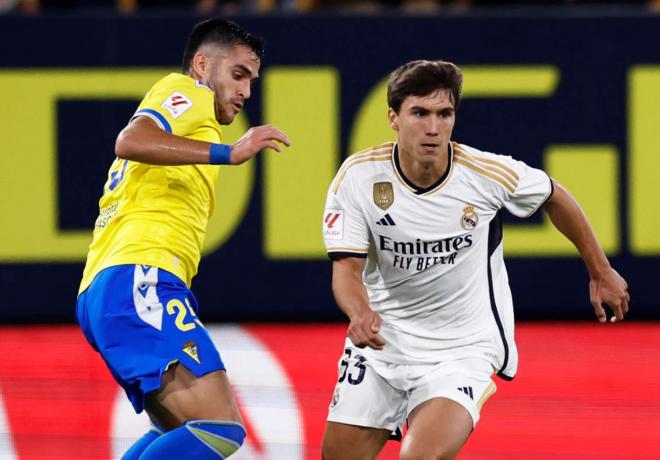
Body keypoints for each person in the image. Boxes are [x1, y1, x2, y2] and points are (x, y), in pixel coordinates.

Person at [321, 59, 629, 460]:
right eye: (420, 113)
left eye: (444, 114)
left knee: (420, 457)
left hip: (462, 349)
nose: (433, 127)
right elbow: (346, 269)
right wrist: (359, 312)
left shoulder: (485, 174)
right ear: (393, 118)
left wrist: (600, 270)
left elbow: (555, 195)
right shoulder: (359, 178)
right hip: (382, 342)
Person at [75, 18, 290, 459]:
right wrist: (228, 154)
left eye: (251, 80)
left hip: (114, 286)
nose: (246, 91)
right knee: (219, 429)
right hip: (141, 277)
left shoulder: (191, 128)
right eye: (238, 74)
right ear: (202, 64)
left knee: (179, 429)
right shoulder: (189, 91)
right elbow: (131, 139)